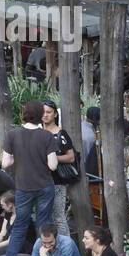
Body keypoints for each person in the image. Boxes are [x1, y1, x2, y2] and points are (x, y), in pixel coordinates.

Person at [0, 101, 59, 256]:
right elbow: (53, 165)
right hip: (44, 186)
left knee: (19, 227)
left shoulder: (12, 135)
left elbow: (5, 163)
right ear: (40, 115)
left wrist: (20, 158)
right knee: (43, 227)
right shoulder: (46, 136)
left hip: (23, 187)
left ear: (23, 115)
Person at [41, 100, 77, 237]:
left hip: (57, 181)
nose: (45, 115)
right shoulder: (37, 132)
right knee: (44, 216)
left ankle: (66, 245)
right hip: (40, 180)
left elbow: (71, 157)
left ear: (55, 114)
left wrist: (52, 159)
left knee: (58, 216)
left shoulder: (61, 134)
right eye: (43, 112)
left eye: (49, 112)